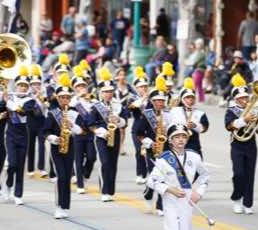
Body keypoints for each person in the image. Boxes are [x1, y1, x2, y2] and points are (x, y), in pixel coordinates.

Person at [146, 124, 210, 230]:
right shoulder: (164, 159)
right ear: (170, 140)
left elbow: (205, 175)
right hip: (170, 201)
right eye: (176, 137)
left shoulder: (194, 157)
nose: (180, 139)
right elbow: (151, 181)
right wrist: (169, 189)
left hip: (187, 202)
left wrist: (199, 192)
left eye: (183, 136)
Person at [43, 73, 85, 218]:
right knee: (61, 176)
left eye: (67, 97)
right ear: (58, 98)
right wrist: (55, 139)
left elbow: (82, 131)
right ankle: (58, 206)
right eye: (62, 97)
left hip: (70, 146)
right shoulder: (52, 113)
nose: (65, 100)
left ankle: (65, 206)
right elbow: (45, 132)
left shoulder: (74, 113)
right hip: (57, 147)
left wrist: (72, 126)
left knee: (67, 177)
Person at [134, 77, 174, 215]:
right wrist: (150, 143)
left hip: (167, 148)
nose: (160, 103)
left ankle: (160, 206)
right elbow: (139, 133)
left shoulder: (169, 114)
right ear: (152, 101)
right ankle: (148, 194)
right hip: (152, 148)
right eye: (157, 100)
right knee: (154, 176)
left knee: (164, 176)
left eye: (162, 100)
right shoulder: (147, 114)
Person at [225, 77, 258, 214]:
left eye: (246, 97)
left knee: (250, 174)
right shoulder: (231, 111)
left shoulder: (255, 111)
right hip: (237, 145)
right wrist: (244, 120)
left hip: (251, 145)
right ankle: (237, 199)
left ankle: (248, 204)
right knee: (239, 174)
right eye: (241, 98)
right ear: (236, 99)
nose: (245, 100)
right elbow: (229, 126)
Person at [87, 68, 128, 201]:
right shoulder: (96, 105)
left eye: (110, 91)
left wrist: (119, 120)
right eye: (105, 92)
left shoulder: (118, 105)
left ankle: (110, 190)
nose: (108, 94)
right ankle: (104, 191)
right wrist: (101, 131)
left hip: (115, 135)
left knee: (113, 164)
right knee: (104, 162)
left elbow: (125, 123)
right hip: (101, 137)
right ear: (101, 92)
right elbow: (90, 124)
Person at [3, 68, 41, 205]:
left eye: (25, 86)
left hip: (23, 133)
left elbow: (22, 112)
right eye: (20, 85)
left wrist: (8, 102)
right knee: (12, 164)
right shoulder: (10, 97)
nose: (23, 88)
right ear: (16, 86)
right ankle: (8, 184)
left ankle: (18, 194)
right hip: (11, 133)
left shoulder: (30, 101)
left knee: (20, 166)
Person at [69, 67, 97, 193]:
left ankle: (86, 174)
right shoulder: (72, 100)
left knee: (92, 157)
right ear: (75, 88)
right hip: (78, 133)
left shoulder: (91, 99)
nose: (82, 88)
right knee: (78, 159)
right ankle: (80, 185)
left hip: (90, 133)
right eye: (79, 86)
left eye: (83, 86)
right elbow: (69, 108)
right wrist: (78, 97)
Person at [170, 78, 209, 156]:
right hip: (176, 144)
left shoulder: (200, 113)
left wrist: (195, 126)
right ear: (182, 99)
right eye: (187, 97)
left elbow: (204, 129)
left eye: (192, 97)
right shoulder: (174, 111)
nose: (190, 100)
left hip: (193, 144)